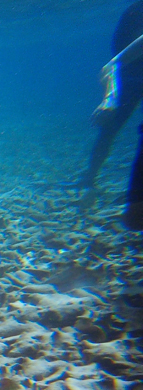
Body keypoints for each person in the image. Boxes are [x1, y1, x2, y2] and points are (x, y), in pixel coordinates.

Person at [78, 1, 143, 230]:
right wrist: (110, 99)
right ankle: (90, 180)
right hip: (130, 77)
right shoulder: (135, 14)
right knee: (108, 129)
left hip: (130, 74)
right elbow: (113, 64)